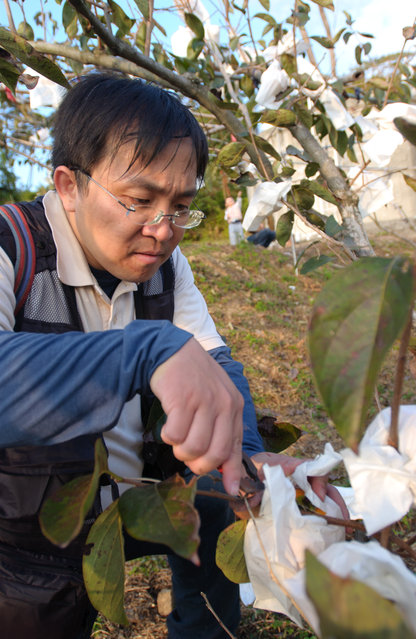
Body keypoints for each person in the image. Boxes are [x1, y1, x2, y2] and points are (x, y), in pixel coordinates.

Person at [0, 73, 345, 639]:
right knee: (41, 610)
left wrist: (248, 457)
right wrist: (146, 348)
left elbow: (214, 359)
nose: (161, 231)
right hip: (28, 534)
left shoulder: (162, 265)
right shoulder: (12, 247)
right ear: (68, 186)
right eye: (138, 201)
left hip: (139, 495)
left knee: (212, 505)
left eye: (181, 206)